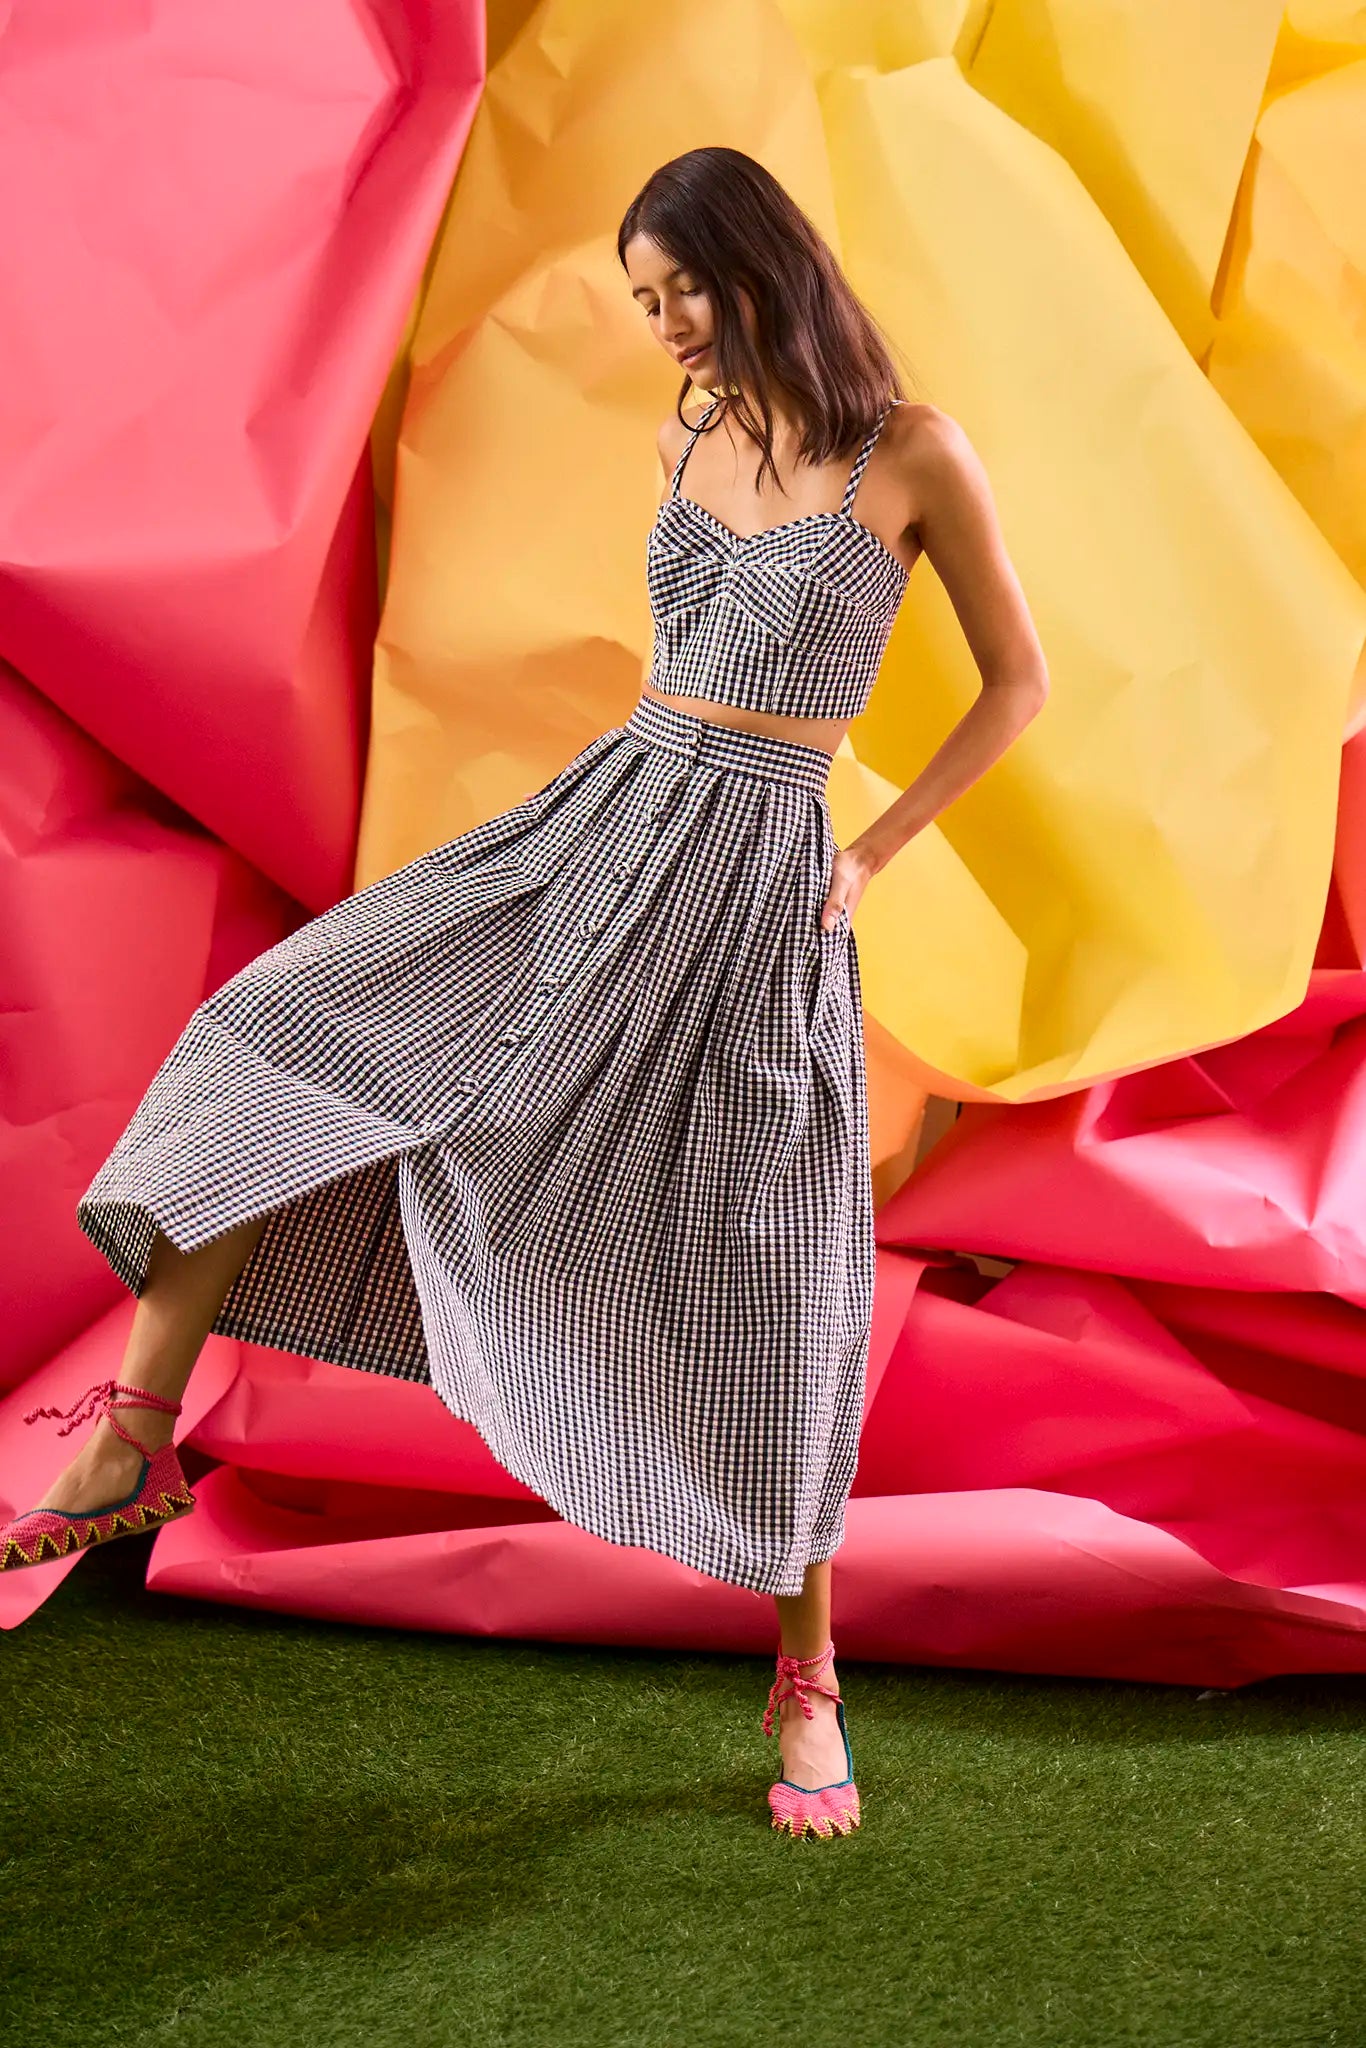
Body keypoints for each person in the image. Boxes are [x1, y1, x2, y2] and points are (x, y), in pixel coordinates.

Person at [2, 146, 1048, 1841]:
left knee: (769, 1268)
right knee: (276, 1034)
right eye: (641, 304)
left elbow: (1020, 686)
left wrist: (873, 857)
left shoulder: (909, 454)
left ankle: (806, 1678)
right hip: (604, 817)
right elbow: (678, 671)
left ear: (755, 260)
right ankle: (133, 1433)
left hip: (763, 878)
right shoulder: (687, 436)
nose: (665, 330)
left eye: (679, 289)